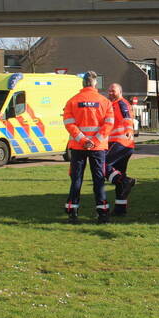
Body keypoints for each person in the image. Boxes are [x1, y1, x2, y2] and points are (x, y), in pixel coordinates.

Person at [62, 71, 114, 223]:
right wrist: (95, 140)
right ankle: (102, 213)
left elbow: (68, 123)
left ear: (83, 83)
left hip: (78, 147)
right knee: (98, 179)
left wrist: (83, 140)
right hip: (98, 148)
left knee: (76, 179)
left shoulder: (72, 101)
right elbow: (109, 124)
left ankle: (73, 211)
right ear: (95, 83)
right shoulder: (105, 102)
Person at [104, 83, 137, 216]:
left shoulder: (121, 103)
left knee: (102, 165)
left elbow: (127, 118)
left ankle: (125, 181)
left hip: (121, 142)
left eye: (113, 91)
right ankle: (120, 208)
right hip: (124, 144)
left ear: (120, 91)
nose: (110, 92)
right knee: (119, 174)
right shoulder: (112, 104)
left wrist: (129, 130)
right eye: (109, 91)